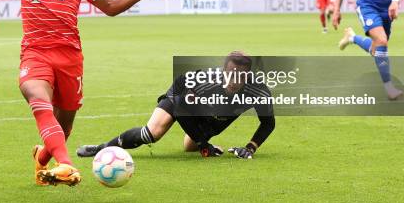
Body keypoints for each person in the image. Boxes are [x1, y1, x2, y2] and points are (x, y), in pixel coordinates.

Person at [0, 0, 160, 186]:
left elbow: (108, 7)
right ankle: (67, 165)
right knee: (38, 98)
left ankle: (42, 157)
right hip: (35, 52)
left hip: (70, 57)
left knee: (65, 126)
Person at [77, 52, 275, 160]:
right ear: (223, 71)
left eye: (240, 75)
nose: (234, 79)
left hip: (208, 113)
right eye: (230, 72)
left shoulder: (258, 91)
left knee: (189, 147)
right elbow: (181, 107)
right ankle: (101, 149)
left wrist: (250, 147)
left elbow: (268, 123)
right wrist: (204, 145)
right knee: (151, 133)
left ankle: (201, 141)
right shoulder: (204, 81)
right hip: (181, 98)